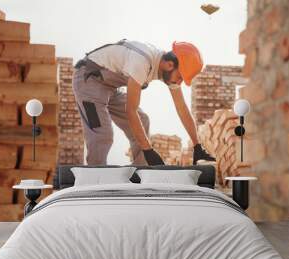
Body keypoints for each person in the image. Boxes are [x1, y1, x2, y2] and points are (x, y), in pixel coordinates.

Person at [73, 39, 215, 165]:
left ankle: (139, 174)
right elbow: (130, 111)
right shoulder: (143, 61)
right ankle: (95, 181)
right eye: (180, 77)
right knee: (102, 135)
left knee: (143, 120)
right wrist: (148, 149)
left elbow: (182, 109)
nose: (179, 82)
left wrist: (197, 145)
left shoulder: (167, 70)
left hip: (110, 86)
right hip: (89, 79)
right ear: (170, 65)